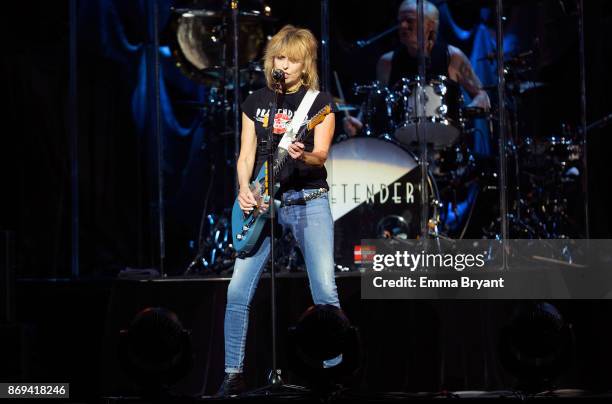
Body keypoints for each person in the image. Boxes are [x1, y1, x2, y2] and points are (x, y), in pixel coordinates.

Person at [216, 25, 340, 396]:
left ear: (305, 65)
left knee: (325, 289)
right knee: (237, 292)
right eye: (279, 58)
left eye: (292, 60)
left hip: (308, 200)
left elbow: (321, 154)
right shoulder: (255, 102)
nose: (283, 65)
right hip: (263, 201)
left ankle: (332, 373)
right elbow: (245, 155)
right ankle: (232, 374)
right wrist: (243, 190)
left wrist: (305, 155)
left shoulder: (318, 104)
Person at [343, 0, 491, 136]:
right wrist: (359, 121)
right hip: (402, 147)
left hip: (447, 144)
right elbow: (373, 101)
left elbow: (481, 95)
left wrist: (467, 110)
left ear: (430, 26)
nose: (402, 26)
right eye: (400, 21)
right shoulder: (387, 62)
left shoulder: (452, 56)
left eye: (410, 21)